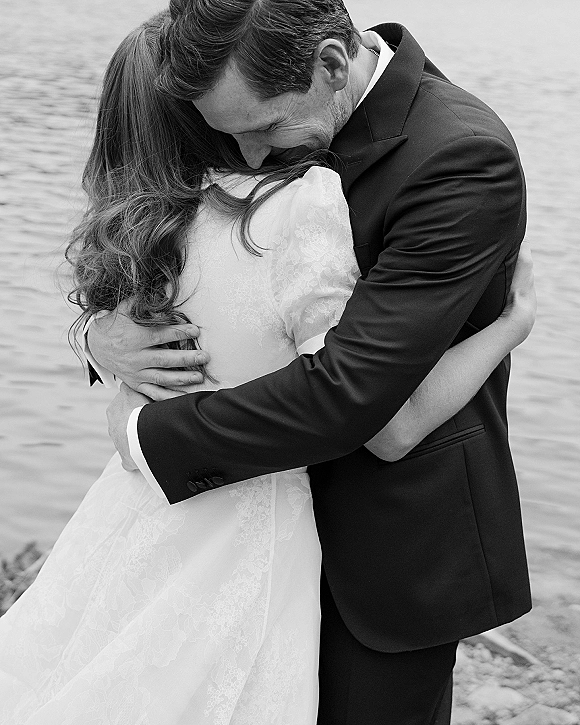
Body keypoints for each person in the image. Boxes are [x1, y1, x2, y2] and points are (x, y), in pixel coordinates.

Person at [91, 2, 534, 723]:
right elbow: (161, 247)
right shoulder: (254, 107)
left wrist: (147, 433)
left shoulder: (458, 156)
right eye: (230, 137)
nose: (254, 159)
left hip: (386, 547)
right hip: (234, 539)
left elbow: (351, 394)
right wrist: (99, 343)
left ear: (332, 62)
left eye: (265, 130)